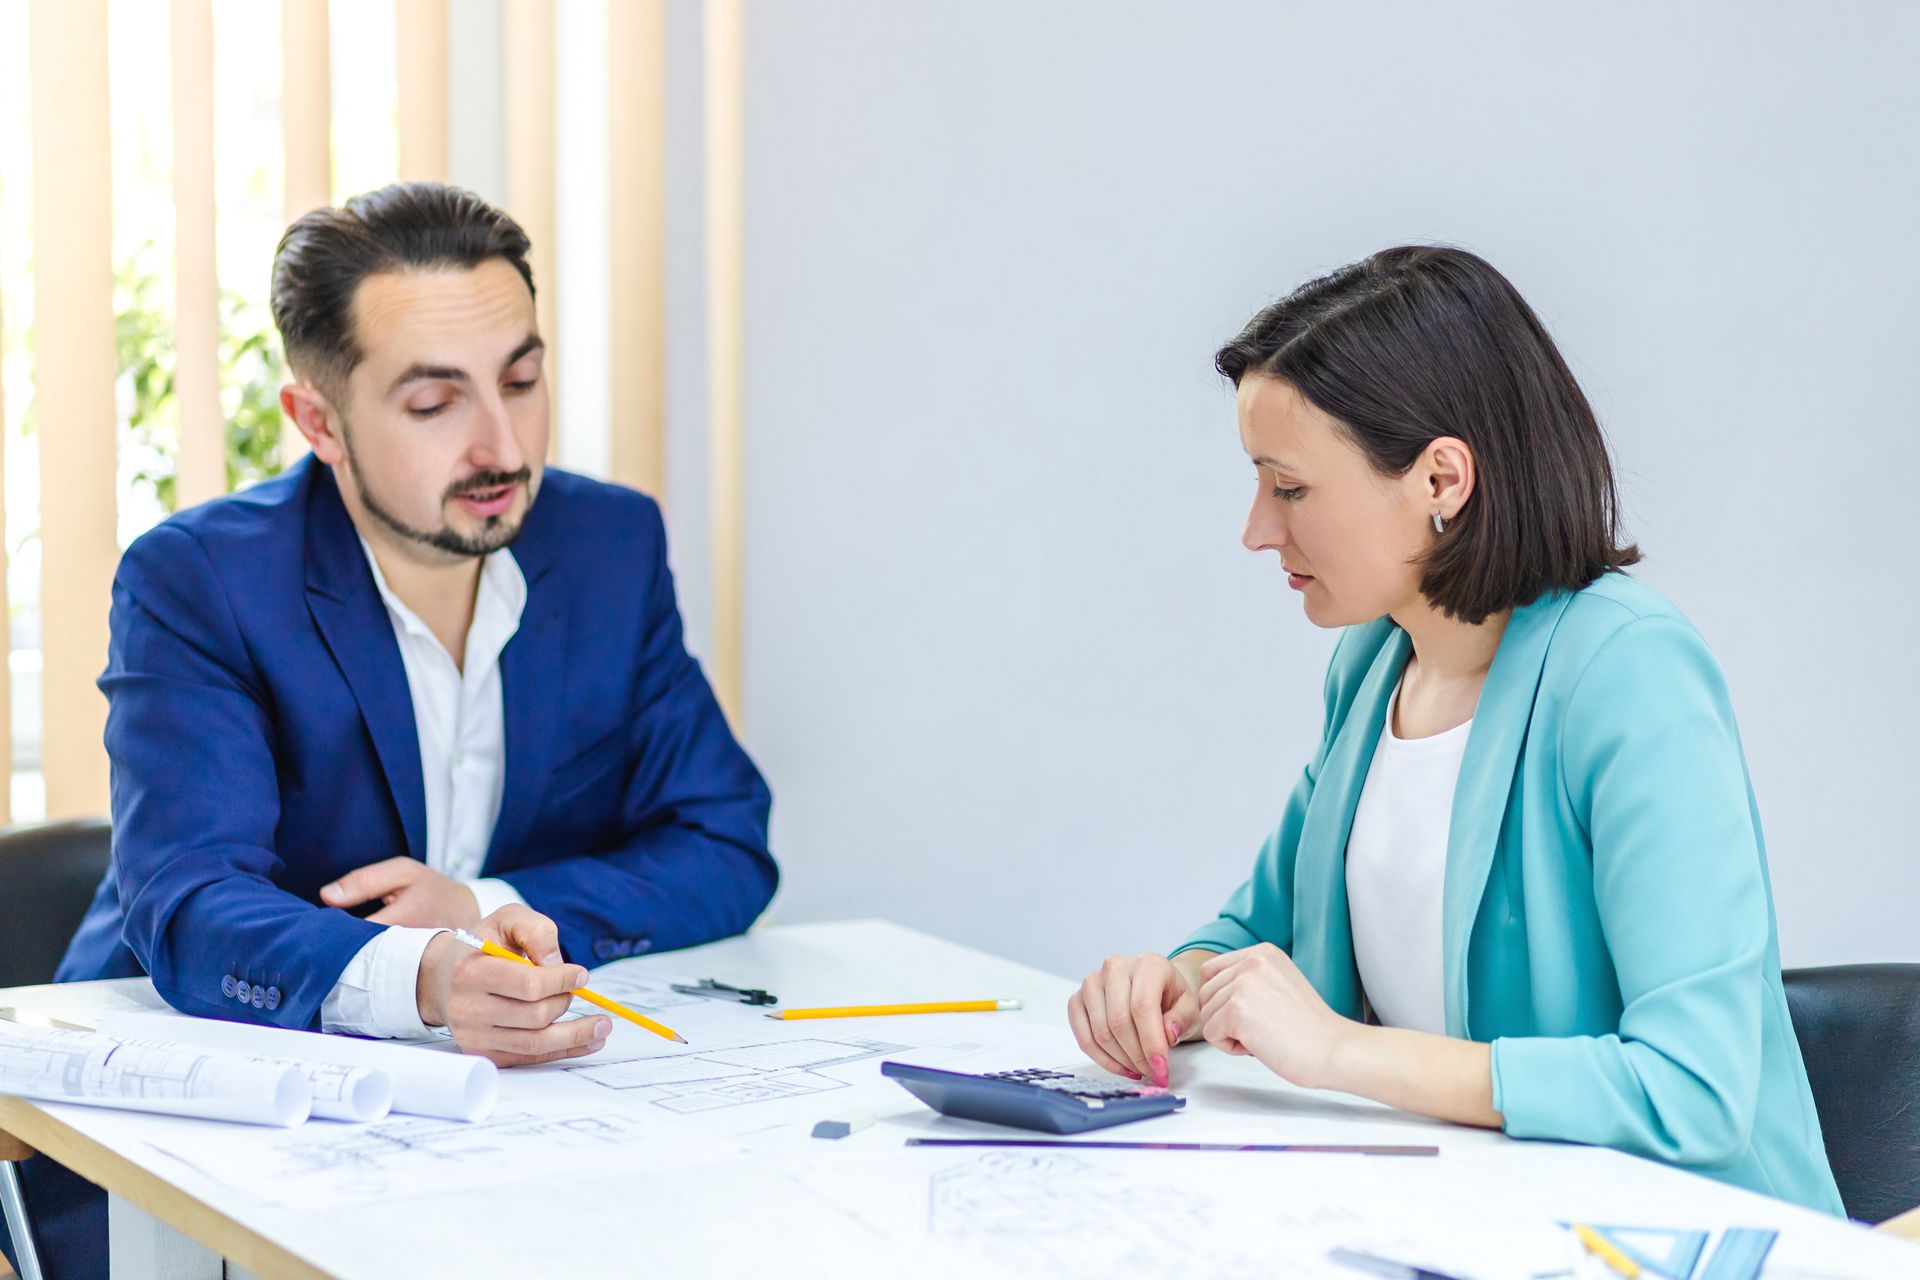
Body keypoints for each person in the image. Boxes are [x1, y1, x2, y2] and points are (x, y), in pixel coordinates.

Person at [2, 181, 776, 1280]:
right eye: (434, 404)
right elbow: (191, 902)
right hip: (206, 1134)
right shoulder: (201, 578)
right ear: (319, 421)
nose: (503, 443)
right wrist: (417, 975)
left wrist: (488, 910)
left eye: (521, 378)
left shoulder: (608, 543)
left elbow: (724, 837)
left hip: (515, 1136)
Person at [1068, 246, 1843, 1215]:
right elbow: (1261, 929)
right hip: (1481, 1222)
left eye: (1290, 486)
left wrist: (1344, 1051)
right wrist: (1169, 984)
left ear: (1441, 478)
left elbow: (1696, 1087)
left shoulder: (1627, 672)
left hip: (1685, 1236)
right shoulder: (1374, 663)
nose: (1257, 528)